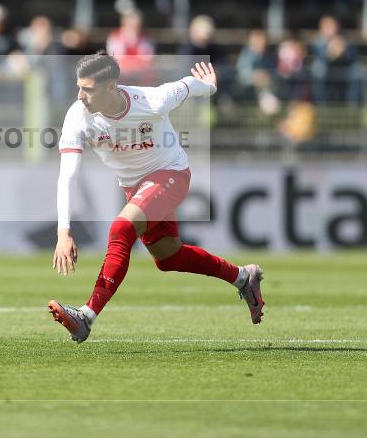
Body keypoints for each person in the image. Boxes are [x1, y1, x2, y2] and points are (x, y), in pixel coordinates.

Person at [48, 52, 265, 343]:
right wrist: (64, 232)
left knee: (121, 228)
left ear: (111, 87)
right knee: (169, 257)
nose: (80, 95)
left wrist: (210, 86)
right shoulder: (78, 116)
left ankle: (87, 315)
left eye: (87, 89)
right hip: (135, 188)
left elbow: (188, 85)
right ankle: (243, 277)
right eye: (79, 87)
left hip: (170, 174)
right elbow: (68, 176)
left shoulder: (151, 100)